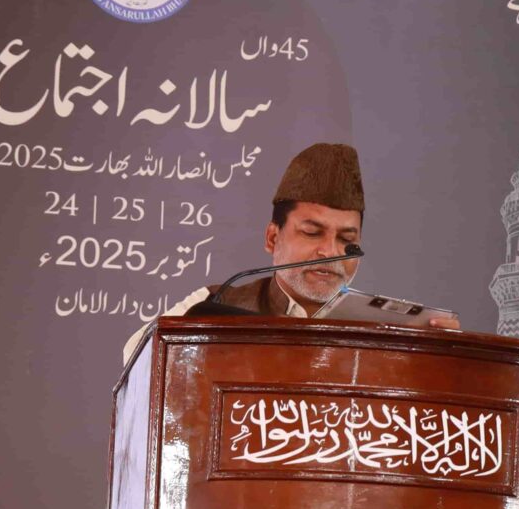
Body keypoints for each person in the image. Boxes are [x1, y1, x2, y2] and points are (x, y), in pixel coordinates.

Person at [122, 141, 453, 362]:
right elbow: (136, 357)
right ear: (272, 238)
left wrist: (441, 357)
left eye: (346, 240)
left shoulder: (386, 328)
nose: (329, 251)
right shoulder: (215, 303)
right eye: (312, 232)